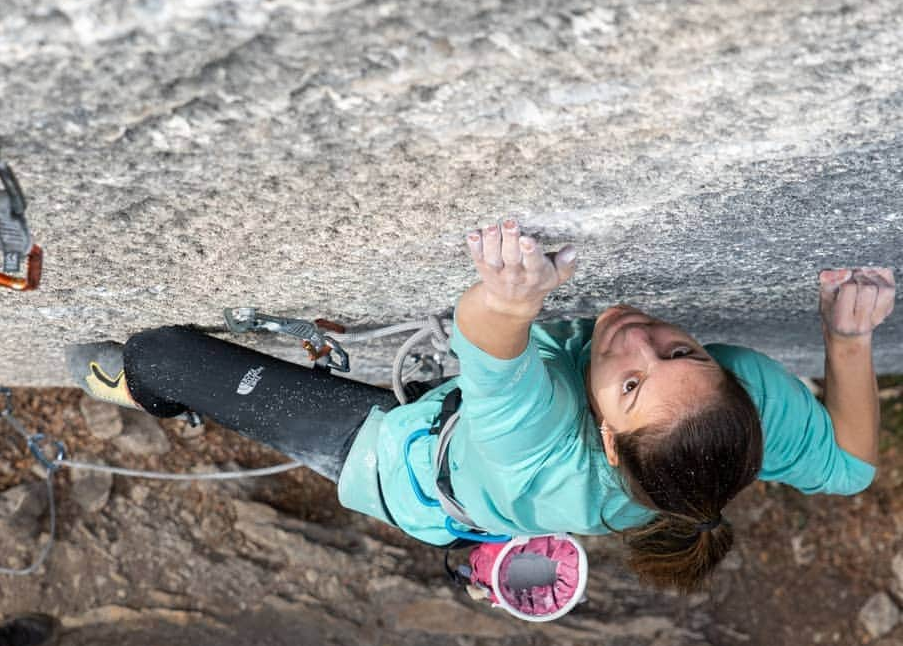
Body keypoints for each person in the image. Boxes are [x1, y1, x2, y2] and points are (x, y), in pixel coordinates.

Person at [67, 217, 894, 591]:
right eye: (683, 353)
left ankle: (138, 390)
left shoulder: (536, 435)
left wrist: (511, 292)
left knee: (159, 353)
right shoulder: (736, 413)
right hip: (496, 461)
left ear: (607, 435)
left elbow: (487, 337)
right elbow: (853, 468)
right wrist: (847, 341)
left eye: (633, 381)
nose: (641, 337)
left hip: (404, 465)